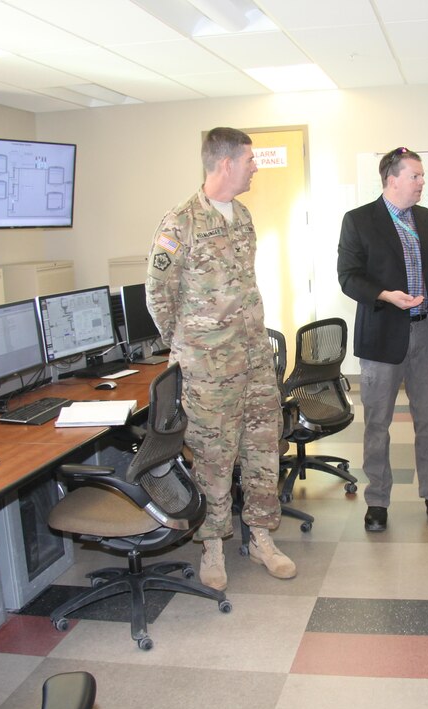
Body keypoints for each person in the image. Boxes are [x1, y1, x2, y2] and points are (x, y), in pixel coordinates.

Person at [145, 126, 295, 591]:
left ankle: (261, 538)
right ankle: (212, 545)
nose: (255, 166)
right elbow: (158, 294)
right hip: (208, 370)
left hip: (254, 361)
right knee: (212, 456)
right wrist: (190, 345)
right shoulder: (180, 221)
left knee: (263, 450)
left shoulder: (243, 216)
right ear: (226, 162)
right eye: (250, 159)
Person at [337, 147, 428, 532]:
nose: (422, 183)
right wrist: (385, 295)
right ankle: (377, 500)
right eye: (416, 176)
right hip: (382, 334)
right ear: (392, 179)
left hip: (425, 332)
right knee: (377, 424)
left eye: (422, 177)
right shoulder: (359, 221)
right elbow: (348, 276)